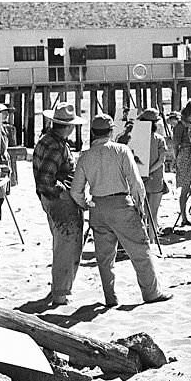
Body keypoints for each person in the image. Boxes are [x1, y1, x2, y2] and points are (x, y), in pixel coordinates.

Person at [70, 114, 171, 307]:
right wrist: (139, 207)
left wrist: (86, 205)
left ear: (92, 133)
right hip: (121, 204)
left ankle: (111, 298)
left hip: (98, 207)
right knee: (140, 250)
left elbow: (76, 191)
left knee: (104, 257)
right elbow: (136, 184)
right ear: (111, 131)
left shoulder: (85, 156)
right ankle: (151, 293)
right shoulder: (121, 150)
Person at [32, 103, 86, 307]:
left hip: (50, 201)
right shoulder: (56, 146)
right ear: (69, 126)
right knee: (67, 245)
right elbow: (46, 180)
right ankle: (60, 293)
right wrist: (65, 193)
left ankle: (59, 288)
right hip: (59, 202)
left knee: (62, 243)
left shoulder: (47, 140)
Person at [138, 108, 169, 231]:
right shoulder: (159, 139)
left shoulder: (136, 138)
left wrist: (144, 171)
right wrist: (150, 170)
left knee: (142, 213)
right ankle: (152, 239)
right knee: (153, 214)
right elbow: (161, 160)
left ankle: (144, 239)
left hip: (140, 178)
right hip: (155, 179)